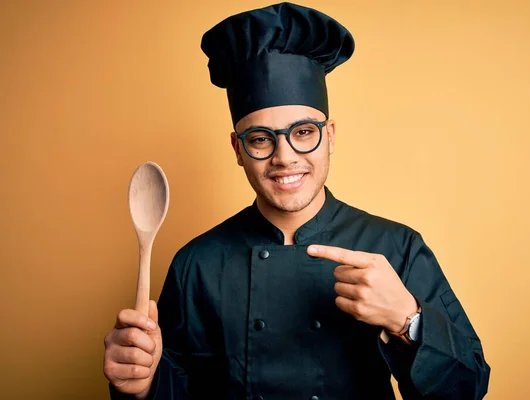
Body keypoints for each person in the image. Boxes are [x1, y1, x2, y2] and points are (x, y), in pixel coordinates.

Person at [103, 2, 491, 399]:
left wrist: (407, 321)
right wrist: (140, 383)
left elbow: (468, 387)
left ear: (331, 135)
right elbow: (178, 389)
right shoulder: (197, 264)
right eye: (260, 139)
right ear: (238, 150)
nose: (284, 156)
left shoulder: (396, 248)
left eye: (303, 132)